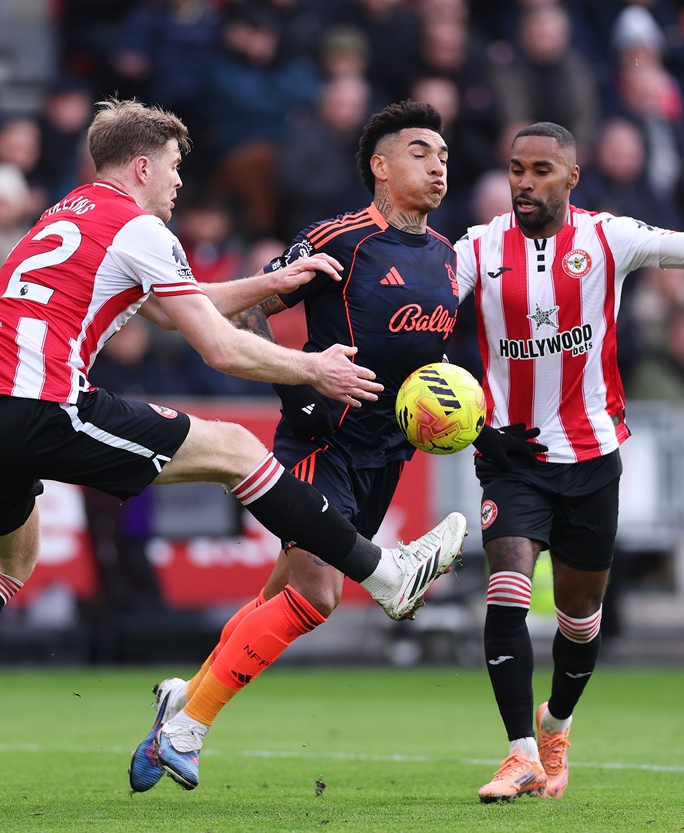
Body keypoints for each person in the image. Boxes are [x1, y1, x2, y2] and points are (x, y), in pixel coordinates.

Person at [0, 98, 466, 797]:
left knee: (6, 562)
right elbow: (218, 348)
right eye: (172, 167)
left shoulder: (67, 213)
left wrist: (267, 284)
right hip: (41, 404)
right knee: (234, 448)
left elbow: (165, 307)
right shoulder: (140, 227)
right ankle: (385, 574)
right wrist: (314, 368)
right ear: (141, 166)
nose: (179, 182)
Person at [127, 99, 513, 795]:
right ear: (380, 166)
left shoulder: (445, 258)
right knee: (319, 591)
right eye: (420, 152)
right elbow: (252, 305)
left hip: (385, 455)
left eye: (444, 156)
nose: (438, 166)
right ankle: (188, 732)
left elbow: (426, 363)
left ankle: (183, 699)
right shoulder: (339, 240)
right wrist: (299, 388)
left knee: (284, 594)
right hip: (319, 441)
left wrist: (452, 409)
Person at [453, 122, 684, 802]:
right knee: (506, 590)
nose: (524, 183)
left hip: (592, 455)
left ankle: (555, 725)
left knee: (581, 616)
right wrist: (477, 424)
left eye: (541, 170)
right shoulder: (477, 247)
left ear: (572, 177)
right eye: (515, 169)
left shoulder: (608, 238)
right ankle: (518, 754)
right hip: (511, 454)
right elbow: (420, 309)